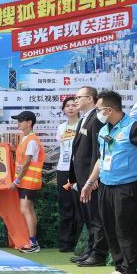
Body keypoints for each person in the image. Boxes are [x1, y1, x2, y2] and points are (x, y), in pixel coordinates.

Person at [79, 90, 137, 274]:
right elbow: (101, 159)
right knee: (110, 228)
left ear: (109, 110)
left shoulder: (134, 128)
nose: (97, 113)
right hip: (106, 186)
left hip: (127, 187)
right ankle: (120, 269)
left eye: (99, 109)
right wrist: (90, 182)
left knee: (126, 230)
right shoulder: (104, 130)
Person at [68, 86, 108, 267]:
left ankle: (98, 255)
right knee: (88, 216)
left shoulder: (97, 118)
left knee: (96, 218)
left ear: (90, 99)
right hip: (81, 176)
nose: (75, 100)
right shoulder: (85, 118)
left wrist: (94, 178)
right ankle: (91, 250)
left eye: (79, 97)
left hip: (91, 178)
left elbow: (97, 151)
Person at [11, 111, 45, 253]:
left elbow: (26, 163)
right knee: (28, 209)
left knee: (26, 209)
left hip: (28, 182)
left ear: (29, 122)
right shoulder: (26, 138)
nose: (18, 123)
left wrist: (16, 181)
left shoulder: (31, 140)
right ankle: (33, 242)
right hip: (26, 181)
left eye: (20, 120)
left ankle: (33, 243)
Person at [54, 97, 81, 253]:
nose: (71, 108)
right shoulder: (61, 127)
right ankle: (65, 243)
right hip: (63, 170)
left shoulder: (83, 124)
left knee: (79, 206)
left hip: (78, 170)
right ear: (63, 109)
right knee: (65, 205)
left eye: (73, 105)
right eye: (67, 106)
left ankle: (79, 243)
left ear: (78, 108)